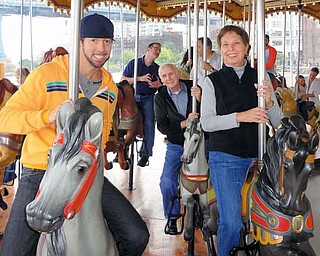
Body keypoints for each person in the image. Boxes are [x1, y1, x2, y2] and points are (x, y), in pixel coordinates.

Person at [0, 13, 149, 256]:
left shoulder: (110, 89)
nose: (101, 48)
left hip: (84, 173)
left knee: (136, 235)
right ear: (79, 43)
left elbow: (99, 139)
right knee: (13, 250)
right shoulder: (47, 75)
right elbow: (5, 117)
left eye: (107, 42)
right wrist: (47, 116)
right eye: (93, 41)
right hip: (41, 170)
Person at [200, 25, 282, 256]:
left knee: (273, 216)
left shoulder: (260, 76)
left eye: (236, 43)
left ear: (246, 47)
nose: (230, 49)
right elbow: (207, 122)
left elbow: (277, 122)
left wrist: (270, 101)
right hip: (226, 157)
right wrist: (241, 117)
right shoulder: (212, 82)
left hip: (260, 157)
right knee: (233, 222)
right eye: (225, 45)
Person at [154, 63, 201, 234]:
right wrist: (184, 123)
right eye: (164, 76)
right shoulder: (160, 97)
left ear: (177, 73)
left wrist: (201, 98)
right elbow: (163, 126)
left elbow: (211, 109)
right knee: (167, 181)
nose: (168, 78)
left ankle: (207, 211)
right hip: (177, 144)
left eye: (171, 74)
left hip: (199, 141)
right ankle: (172, 216)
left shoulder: (193, 88)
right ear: (161, 79)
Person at [121, 42, 162, 167]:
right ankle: (120, 149)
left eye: (159, 50)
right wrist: (139, 78)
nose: (157, 52)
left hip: (148, 97)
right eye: (155, 49)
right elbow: (123, 80)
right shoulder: (134, 63)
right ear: (148, 49)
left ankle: (146, 153)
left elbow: (162, 83)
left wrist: (158, 85)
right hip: (132, 97)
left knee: (150, 122)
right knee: (121, 119)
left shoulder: (157, 68)